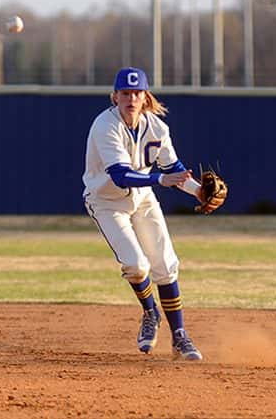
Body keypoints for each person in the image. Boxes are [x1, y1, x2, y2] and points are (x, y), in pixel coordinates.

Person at [83, 67, 212, 361]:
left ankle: (180, 337)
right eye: (125, 93)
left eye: (137, 93)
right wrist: (158, 180)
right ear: (115, 96)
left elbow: (175, 170)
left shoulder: (157, 128)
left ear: (145, 96)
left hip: (142, 199)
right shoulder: (105, 126)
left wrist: (197, 192)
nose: (131, 98)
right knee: (136, 264)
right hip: (106, 202)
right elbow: (119, 175)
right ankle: (150, 311)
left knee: (165, 265)